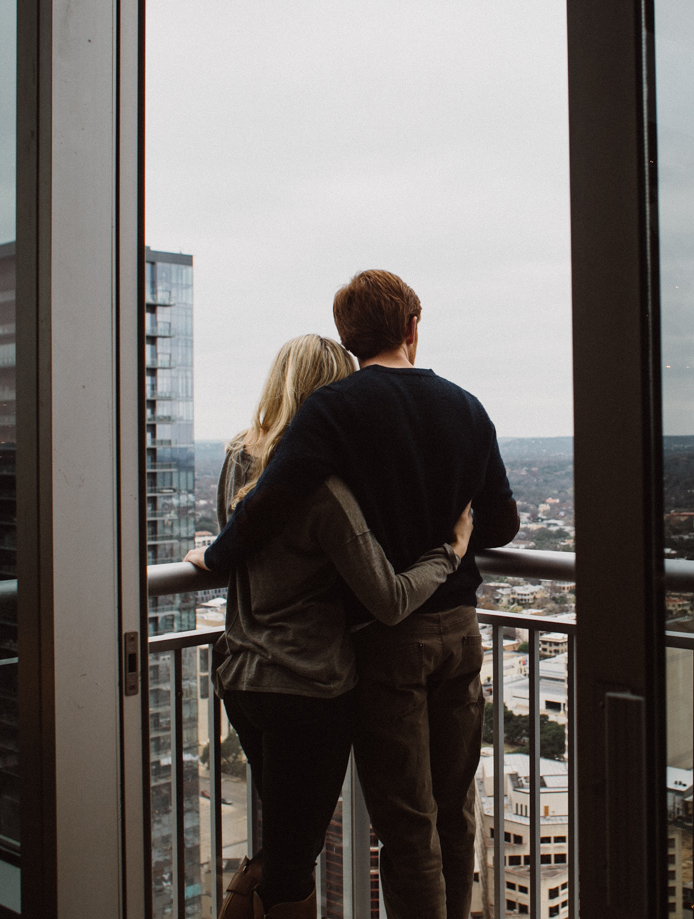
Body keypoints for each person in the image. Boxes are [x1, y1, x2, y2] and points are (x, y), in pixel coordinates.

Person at [189, 271, 519, 919]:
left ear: (348, 338)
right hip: (461, 630)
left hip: (389, 638)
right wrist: (450, 531)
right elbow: (502, 524)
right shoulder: (467, 407)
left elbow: (276, 498)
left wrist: (217, 556)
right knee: (456, 809)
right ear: (412, 329)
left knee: (406, 824)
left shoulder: (335, 409)